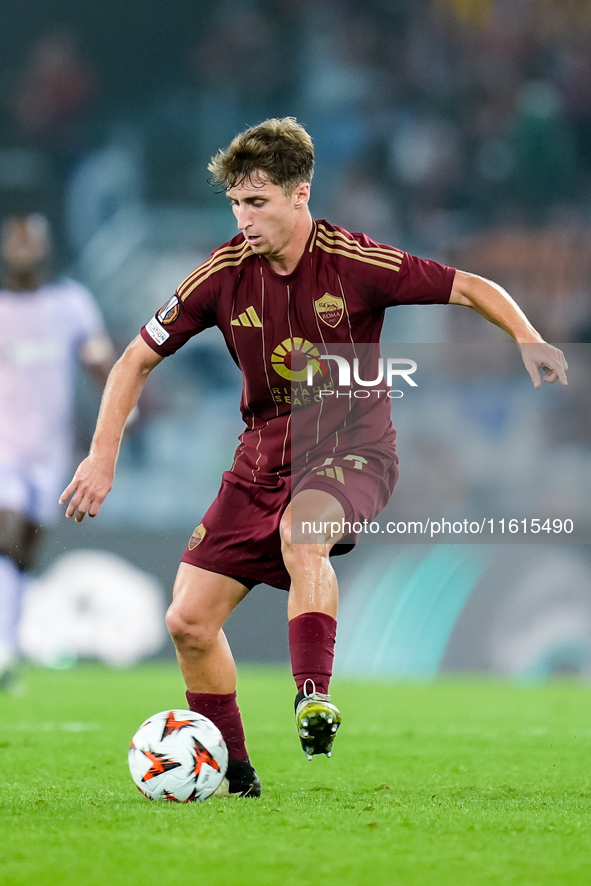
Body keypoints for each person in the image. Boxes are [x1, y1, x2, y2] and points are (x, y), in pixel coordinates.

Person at [60, 118, 568, 797]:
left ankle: (312, 699)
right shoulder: (221, 274)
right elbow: (133, 360)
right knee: (186, 621)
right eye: (236, 202)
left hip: (350, 451)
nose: (243, 217)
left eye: (258, 201)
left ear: (301, 194)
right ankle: (235, 777)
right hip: (259, 460)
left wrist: (527, 338)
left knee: (305, 537)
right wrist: (101, 458)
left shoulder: (358, 263)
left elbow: (471, 286)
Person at [0, 213, 114, 689]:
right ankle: (2, 653)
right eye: (16, 240)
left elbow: (100, 364)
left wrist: (120, 413)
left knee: (24, 553)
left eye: (32, 240)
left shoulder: (71, 303)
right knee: (5, 536)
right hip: (3, 451)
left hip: (50, 454)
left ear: (46, 247)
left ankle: (7, 647)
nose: (23, 248)